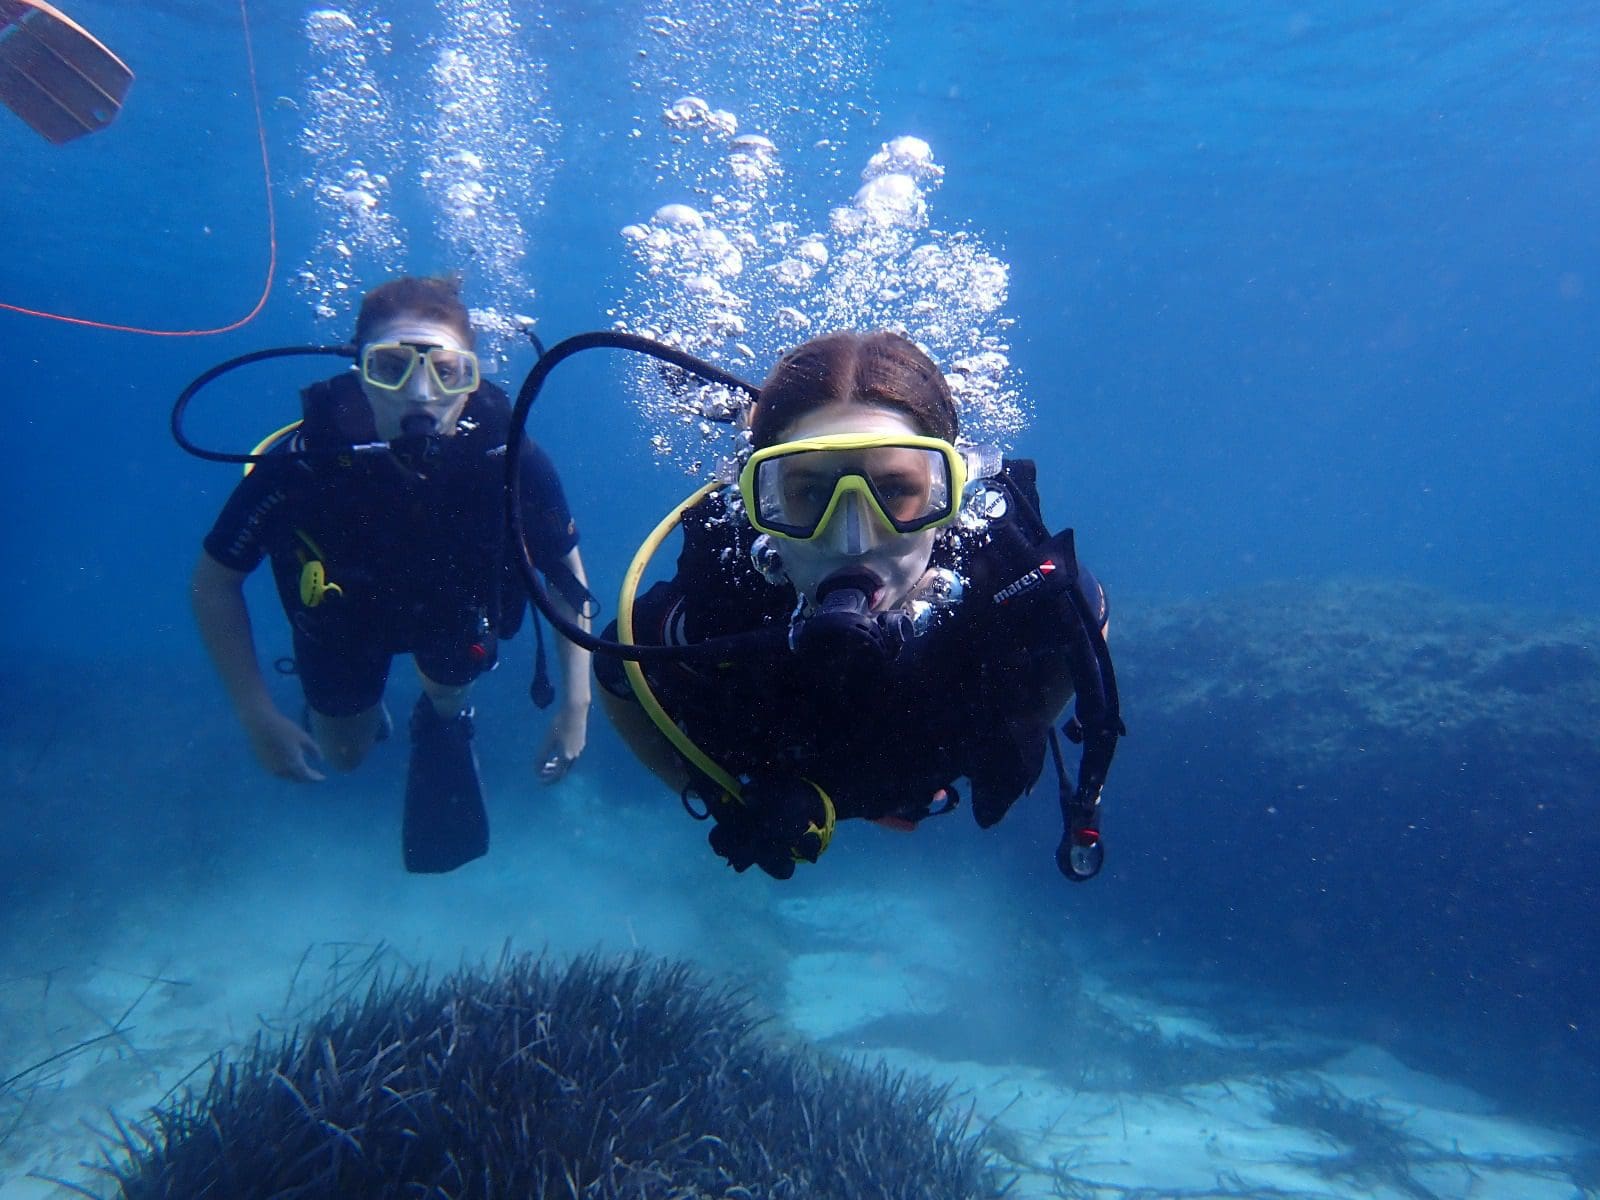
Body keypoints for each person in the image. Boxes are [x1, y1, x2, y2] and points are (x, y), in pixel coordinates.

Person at [596, 330, 1121, 882]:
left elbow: (1088, 620)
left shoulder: (1004, 581)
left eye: (894, 491)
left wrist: (1020, 720)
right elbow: (617, 672)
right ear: (756, 504)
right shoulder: (723, 603)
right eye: (808, 493)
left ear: (951, 494)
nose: (852, 540)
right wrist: (726, 797)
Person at [191, 275, 592, 873]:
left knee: (448, 692)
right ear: (359, 372)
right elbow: (213, 583)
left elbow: (566, 578)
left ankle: (443, 718)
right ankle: (356, 715)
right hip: (341, 625)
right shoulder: (304, 464)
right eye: (391, 367)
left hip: (451, 613)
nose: (420, 395)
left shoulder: (509, 460)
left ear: (471, 378)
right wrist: (257, 714)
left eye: (448, 371)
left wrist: (576, 705)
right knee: (344, 754)